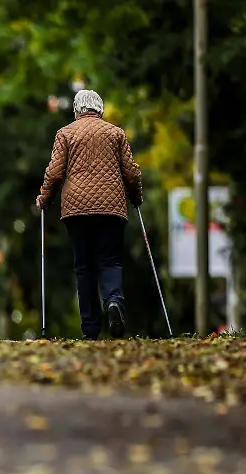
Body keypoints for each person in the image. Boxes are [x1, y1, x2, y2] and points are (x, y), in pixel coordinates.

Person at [36, 89, 143, 340]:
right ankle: (113, 301)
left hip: (76, 209)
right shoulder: (116, 133)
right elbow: (131, 173)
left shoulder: (65, 133)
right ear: (100, 109)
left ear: (76, 110)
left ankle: (91, 328)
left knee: (84, 266)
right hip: (111, 207)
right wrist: (136, 197)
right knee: (110, 260)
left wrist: (44, 199)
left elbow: (54, 174)